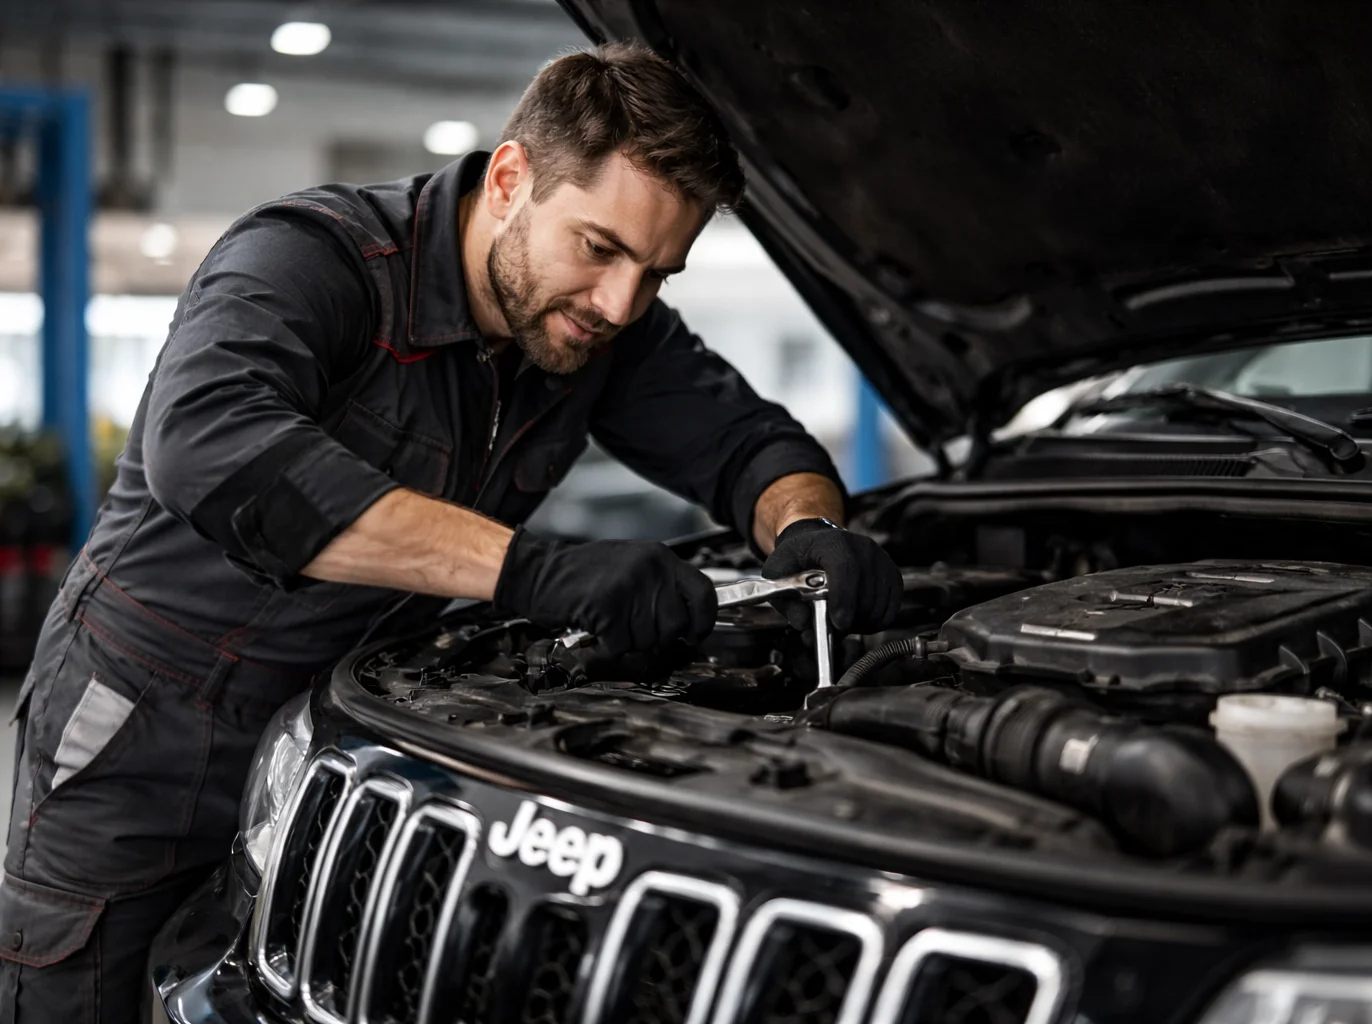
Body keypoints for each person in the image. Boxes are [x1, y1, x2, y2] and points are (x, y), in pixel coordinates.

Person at [0, 41, 903, 1021]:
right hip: (150, 731)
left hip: (343, 736)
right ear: (511, 178)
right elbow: (211, 449)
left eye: (657, 273)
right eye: (599, 248)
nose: (620, 303)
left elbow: (748, 443)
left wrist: (807, 526)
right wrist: (529, 571)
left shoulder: (597, 329)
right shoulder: (313, 259)